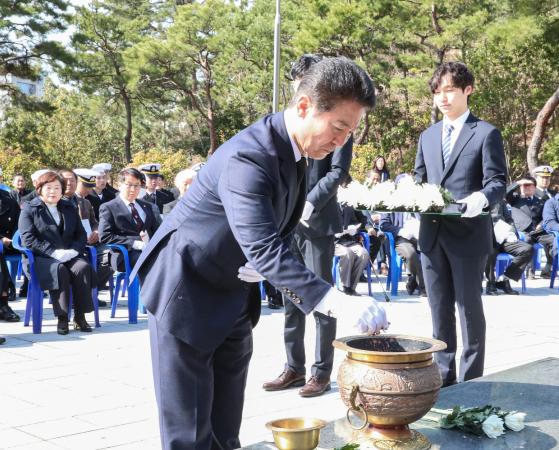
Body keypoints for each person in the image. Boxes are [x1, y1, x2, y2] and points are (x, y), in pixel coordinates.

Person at [130, 56, 388, 450]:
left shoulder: (300, 152)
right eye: (338, 127)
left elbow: (276, 231)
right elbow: (263, 245)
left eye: (349, 132)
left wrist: (264, 264)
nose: (340, 142)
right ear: (304, 106)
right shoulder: (250, 154)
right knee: (190, 434)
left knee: (225, 428)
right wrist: (333, 299)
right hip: (186, 291)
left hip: (232, 292)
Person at [263, 53, 354, 399]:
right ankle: (293, 367)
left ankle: (321, 372)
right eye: (296, 83)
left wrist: (310, 201)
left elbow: (338, 171)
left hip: (317, 222)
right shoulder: (285, 124)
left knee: (321, 299)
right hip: (287, 223)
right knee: (291, 298)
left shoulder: (337, 122)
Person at [413, 61, 507, 387]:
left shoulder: (485, 133)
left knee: (469, 311)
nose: (443, 97)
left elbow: (497, 182)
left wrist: (479, 199)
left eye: (450, 90)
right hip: (431, 236)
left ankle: (471, 382)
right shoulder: (426, 136)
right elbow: (419, 180)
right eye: (438, 91)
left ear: (468, 89)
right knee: (439, 311)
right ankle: (442, 377)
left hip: (468, 236)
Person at [18, 171, 95, 334]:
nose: (53, 192)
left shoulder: (69, 206)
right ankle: (62, 317)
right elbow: (28, 239)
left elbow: (81, 233)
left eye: (57, 188)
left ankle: (80, 316)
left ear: (62, 190)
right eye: (48, 188)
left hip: (69, 254)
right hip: (41, 258)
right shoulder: (29, 209)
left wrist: (74, 250)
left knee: (82, 267)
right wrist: (54, 253)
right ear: (39, 189)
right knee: (59, 270)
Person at [98, 168, 161, 273]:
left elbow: (156, 230)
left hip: (149, 249)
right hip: (125, 253)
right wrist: (133, 243)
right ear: (120, 185)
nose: (133, 189)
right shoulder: (109, 207)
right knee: (149, 261)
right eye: (129, 185)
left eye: (137, 185)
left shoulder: (147, 206)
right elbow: (105, 236)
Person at [73, 168, 113, 299]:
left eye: (90, 186)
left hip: (91, 241)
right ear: (76, 183)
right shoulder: (65, 201)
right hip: (76, 243)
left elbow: (94, 222)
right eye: (85, 186)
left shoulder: (86, 202)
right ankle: (80, 294)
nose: (89, 190)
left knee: (112, 256)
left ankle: (91, 292)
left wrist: (96, 231)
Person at [506, 175, 554, 278]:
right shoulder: (515, 199)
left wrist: (541, 224)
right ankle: (529, 270)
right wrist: (518, 183)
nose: (525, 187)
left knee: (555, 240)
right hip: (522, 231)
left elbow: (546, 216)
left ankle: (549, 267)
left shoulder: (541, 201)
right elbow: (506, 192)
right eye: (523, 185)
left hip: (538, 231)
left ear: (534, 187)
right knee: (527, 240)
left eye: (528, 185)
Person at [484, 200, 533, 295]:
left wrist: (511, 232)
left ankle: (504, 279)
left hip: (504, 236)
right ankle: (491, 282)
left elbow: (509, 219)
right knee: (490, 249)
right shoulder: (477, 200)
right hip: (487, 238)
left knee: (527, 249)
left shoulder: (500, 201)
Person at [380, 212, 425, 296]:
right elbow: (383, 225)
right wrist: (400, 231)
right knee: (410, 254)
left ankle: (412, 282)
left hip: (420, 235)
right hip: (400, 237)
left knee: (431, 253)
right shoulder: (391, 202)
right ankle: (424, 288)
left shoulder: (419, 201)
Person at [334, 211, 370, 296]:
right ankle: (345, 286)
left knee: (363, 253)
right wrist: (336, 232)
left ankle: (351, 288)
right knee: (347, 253)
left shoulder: (348, 205)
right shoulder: (330, 204)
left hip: (349, 241)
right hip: (333, 242)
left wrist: (354, 229)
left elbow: (358, 221)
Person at [0, 188, 20, 321]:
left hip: (11, 243)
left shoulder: (8, 198)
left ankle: (3, 303)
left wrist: (13, 238)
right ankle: (3, 304)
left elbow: (19, 222)